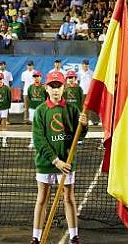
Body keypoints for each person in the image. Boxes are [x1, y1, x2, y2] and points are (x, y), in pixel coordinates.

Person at [29, 72, 89, 244]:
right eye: (52, 86)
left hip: (67, 162)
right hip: (46, 163)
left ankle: (74, 235)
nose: (55, 90)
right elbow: (39, 140)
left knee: (69, 198)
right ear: (46, 88)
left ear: (64, 87)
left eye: (59, 86)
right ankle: (36, 237)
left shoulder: (72, 110)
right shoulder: (40, 111)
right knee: (42, 199)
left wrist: (83, 126)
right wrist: (55, 160)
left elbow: (79, 135)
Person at [26, 70, 47, 149]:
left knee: (43, 126)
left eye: (37, 76)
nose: (36, 78)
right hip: (32, 109)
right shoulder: (30, 87)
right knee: (33, 126)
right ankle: (32, 141)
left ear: (40, 77)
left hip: (42, 110)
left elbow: (47, 99)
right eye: (34, 77)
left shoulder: (45, 88)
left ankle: (43, 142)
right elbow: (29, 98)